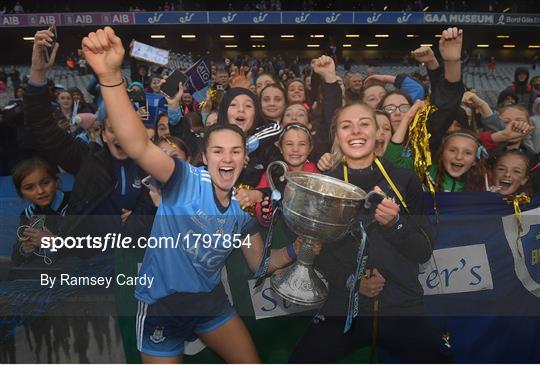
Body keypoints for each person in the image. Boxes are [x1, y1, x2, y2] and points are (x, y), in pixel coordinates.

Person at [81, 26, 306, 363]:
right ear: (205, 155)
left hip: (209, 304)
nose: (226, 158)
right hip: (162, 307)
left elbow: (261, 264)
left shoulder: (240, 217)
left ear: (245, 160)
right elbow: (137, 144)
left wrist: (298, 248)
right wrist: (110, 76)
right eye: (218, 151)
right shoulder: (183, 178)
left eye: (235, 152)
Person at [289, 101, 450, 363]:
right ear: (337, 136)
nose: (356, 132)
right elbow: (318, 254)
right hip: (343, 307)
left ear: (378, 133)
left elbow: (423, 251)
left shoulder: (404, 179)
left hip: (401, 305)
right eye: (346, 126)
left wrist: (394, 224)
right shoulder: (326, 185)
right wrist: (352, 282)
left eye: (364, 124)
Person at [254, 123, 319, 227]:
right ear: (280, 148)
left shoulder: (315, 173)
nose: (295, 149)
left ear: (310, 148)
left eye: (302, 144)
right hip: (278, 232)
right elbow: (260, 206)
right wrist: (265, 215)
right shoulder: (271, 172)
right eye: (289, 144)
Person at [11, 158, 69, 266]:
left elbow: (90, 247)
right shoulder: (28, 215)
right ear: (21, 193)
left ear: (56, 182)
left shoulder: (74, 205)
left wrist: (53, 242)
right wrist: (25, 250)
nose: (40, 191)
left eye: (45, 183)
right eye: (29, 188)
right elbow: (17, 259)